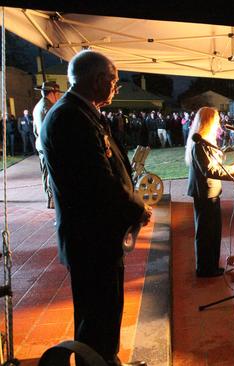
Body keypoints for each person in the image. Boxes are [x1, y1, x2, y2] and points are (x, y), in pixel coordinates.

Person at [40, 50, 151, 366]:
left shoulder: (82, 112)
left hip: (99, 233)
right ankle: (97, 361)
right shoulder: (69, 117)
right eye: (113, 80)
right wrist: (135, 209)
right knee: (96, 312)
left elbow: (113, 167)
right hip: (90, 236)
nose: (116, 87)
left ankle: (107, 359)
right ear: (97, 79)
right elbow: (96, 181)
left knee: (107, 307)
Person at [186, 107, 234, 279]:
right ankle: (204, 269)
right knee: (205, 232)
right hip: (204, 193)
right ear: (207, 121)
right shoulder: (199, 144)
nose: (218, 123)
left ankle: (212, 266)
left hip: (212, 192)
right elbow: (208, 170)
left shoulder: (206, 140)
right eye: (215, 120)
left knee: (214, 231)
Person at [33, 81, 61, 209]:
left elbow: (35, 130)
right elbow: (52, 129)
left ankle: (50, 198)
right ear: (53, 93)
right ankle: (51, 199)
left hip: (41, 143)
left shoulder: (38, 106)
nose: (59, 97)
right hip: (48, 144)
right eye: (58, 94)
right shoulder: (48, 107)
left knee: (45, 171)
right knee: (51, 171)